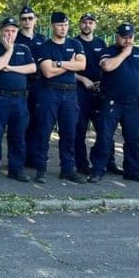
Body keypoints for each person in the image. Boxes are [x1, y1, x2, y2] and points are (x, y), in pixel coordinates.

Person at [88, 23, 139, 183]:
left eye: (130, 37)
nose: (128, 40)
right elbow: (107, 67)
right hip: (111, 103)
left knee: (134, 138)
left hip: (133, 104)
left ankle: (132, 171)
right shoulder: (108, 52)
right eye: (124, 37)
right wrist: (125, 53)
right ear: (117, 36)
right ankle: (98, 170)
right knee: (104, 138)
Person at [33, 12, 87, 183]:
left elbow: (82, 65)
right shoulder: (45, 46)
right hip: (50, 92)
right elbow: (47, 72)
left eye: (65, 25)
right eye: (59, 25)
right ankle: (40, 169)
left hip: (70, 93)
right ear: (52, 26)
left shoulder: (75, 44)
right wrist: (69, 65)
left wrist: (58, 63)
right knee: (43, 131)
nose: (63, 28)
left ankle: (68, 169)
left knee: (69, 132)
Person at [0, 17, 36, 182]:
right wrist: (9, 50)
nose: (10, 34)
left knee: (18, 136)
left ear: (17, 32)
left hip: (19, 100)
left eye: (13, 31)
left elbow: (32, 68)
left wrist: (10, 67)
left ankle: (16, 169)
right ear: (0, 32)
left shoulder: (24, 49)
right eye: (6, 31)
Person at [73, 12, 112, 175]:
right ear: (79, 24)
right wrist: (83, 80)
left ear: (95, 25)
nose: (87, 25)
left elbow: (106, 66)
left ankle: (106, 163)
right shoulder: (73, 43)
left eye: (90, 22)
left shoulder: (101, 43)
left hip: (99, 92)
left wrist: (101, 82)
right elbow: (68, 68)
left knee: (105, 130)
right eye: (84, 22)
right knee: (79, 130)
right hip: (79, 91)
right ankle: (82, 165)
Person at [17, 6, 47, 169]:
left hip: (40, 85)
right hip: (22, 85)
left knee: (38, 122)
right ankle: (20, 158)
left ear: (35, 20)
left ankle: (34, 158)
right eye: (24, 18)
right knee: (22, 123)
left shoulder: (42, 39)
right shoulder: (16, 39)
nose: (27, 21)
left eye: (30, 18)